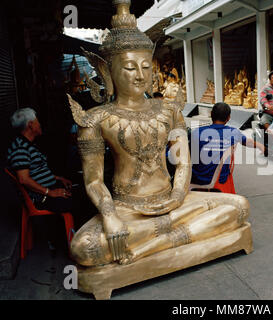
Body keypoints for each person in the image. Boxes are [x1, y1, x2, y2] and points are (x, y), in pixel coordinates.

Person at [66, 0, 252, 267]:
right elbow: (94, 180)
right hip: (128, 210)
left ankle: (147, 250)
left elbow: (184, 162)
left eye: (146, 66)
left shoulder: (168, 110)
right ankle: (173, 241)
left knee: (239, 206)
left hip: (175, 202)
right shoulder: (96, 119)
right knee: (85, 248)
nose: (140, 75)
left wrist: (177, 195)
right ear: (107, 70)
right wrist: (109, 215)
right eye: (130, 67)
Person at [7, 108, 73, 249]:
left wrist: (58, 178)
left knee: (79, 190)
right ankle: (67, 243)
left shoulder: (28, 144)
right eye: (37, 121)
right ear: (30, 125)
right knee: (82, 202)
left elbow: (36, 169)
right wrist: (51, 192)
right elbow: (24, 179)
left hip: (47, 190)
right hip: (41, 198)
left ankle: (61, 238)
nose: (40, 124)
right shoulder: (20, 149)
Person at [190, 103, 266, 192]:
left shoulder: (196, 132)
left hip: (197, 179)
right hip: (220, 180)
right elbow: (247, 142)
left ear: (211, 114)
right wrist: (260, 146)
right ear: (228, 118)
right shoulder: (233, 132)